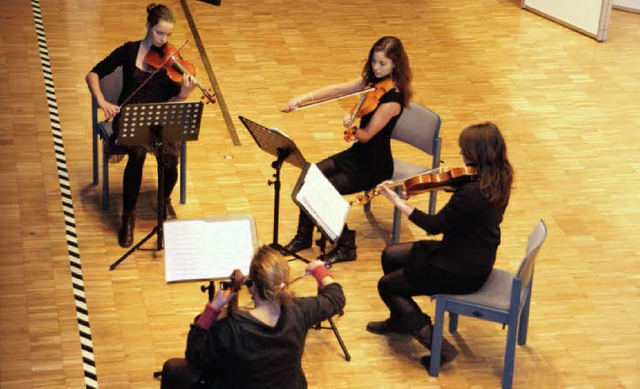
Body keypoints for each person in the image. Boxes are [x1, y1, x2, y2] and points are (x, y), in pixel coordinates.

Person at [365, 122, 514, 367]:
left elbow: (434, 225)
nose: (460, 155)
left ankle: (438, 347)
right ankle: (401, 319)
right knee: (390, 255)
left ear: (478, 154)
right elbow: (462, 193)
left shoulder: (473, 194)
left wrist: (398, 202)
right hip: (470, 253)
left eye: (464, 151)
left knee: (387, 287)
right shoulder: (498, 176)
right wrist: (427, 185)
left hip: (459, 269)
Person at [281, 36, 413, 263]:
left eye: (383, 64)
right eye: (374, 62)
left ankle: (346, 244)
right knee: (310, 176)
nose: (376, 68)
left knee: (325, 191)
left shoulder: (392, 100)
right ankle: (304, 237)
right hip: (357, 155)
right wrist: (301, 100)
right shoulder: (373, 83)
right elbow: (337, 89)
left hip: (374, 165)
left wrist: (351, 124)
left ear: (395, 65)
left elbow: (366, 135)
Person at [86, 3, 196, 248]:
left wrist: (184, 93)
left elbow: (174, 98)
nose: (164, 40)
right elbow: (93, 74)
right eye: (159, 33)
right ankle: (128, 215)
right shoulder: (129, 51)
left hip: (160, 117)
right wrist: (102, 101)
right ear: (148, 26)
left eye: (168, 35)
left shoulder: (171, 59)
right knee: (137, 154)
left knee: (169, 161)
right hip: (131, 117)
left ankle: (163, 200)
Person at [160, 246, 345, 389]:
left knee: (174, 368)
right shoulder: (300, 310)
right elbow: (336, 298)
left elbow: (194, 353)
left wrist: (214, 308)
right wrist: (319, 270)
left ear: (251, 287)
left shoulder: (230, 329)